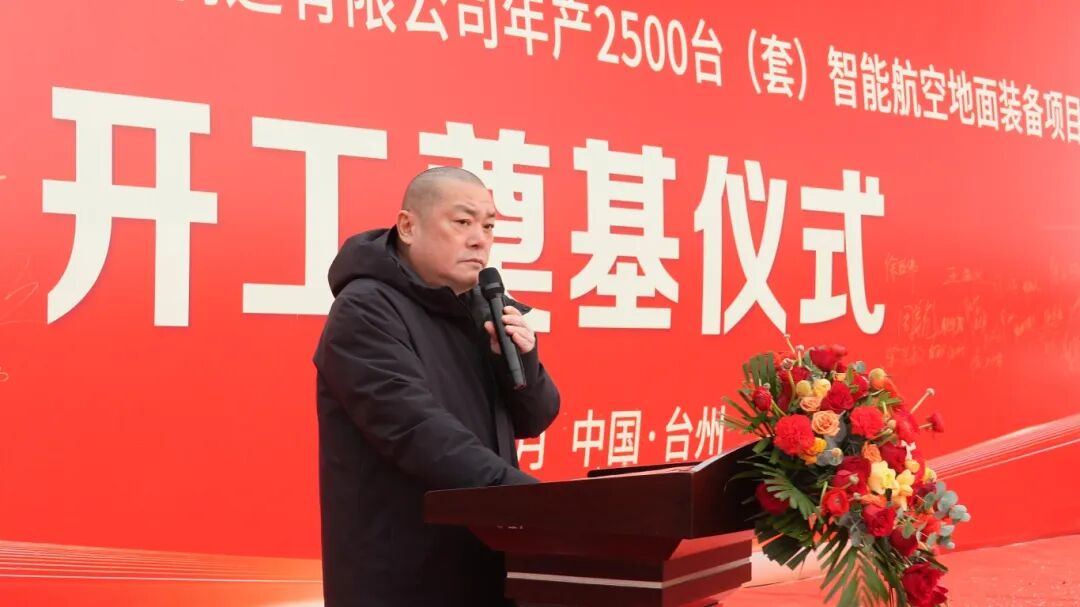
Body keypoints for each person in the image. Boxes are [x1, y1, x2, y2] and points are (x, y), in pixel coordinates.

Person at [312, 166, 561, 607]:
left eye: (488, 226)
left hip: (484, 561)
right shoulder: (365, 311)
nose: (479, 239)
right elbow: (417, 431)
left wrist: (522, 360)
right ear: (408, 227)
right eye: (462, 222)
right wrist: (533, 503)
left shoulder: (481, 306)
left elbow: (534, 417)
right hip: (402, 576)